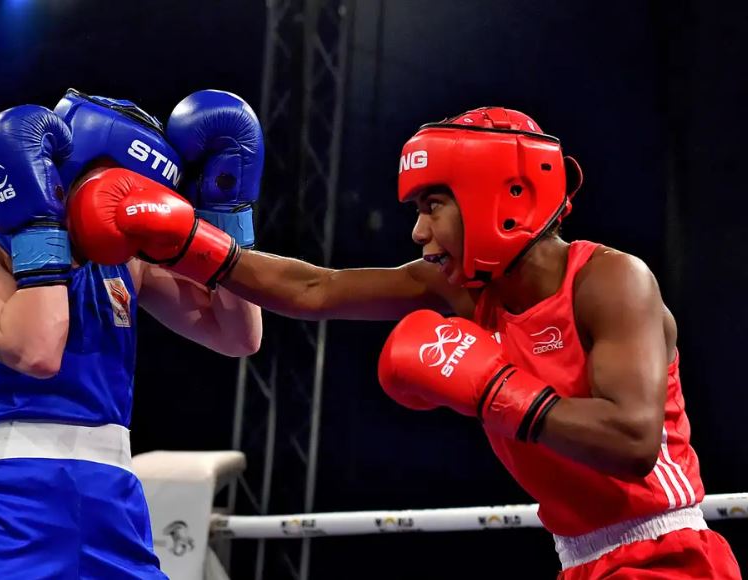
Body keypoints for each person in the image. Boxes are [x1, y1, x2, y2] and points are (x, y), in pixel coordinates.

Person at [70, 106, 740, 578]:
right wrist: (188, 242)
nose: (418, 234)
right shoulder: (460, 291)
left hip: (668, 557)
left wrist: (494, 390)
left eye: (431, 206)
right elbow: (316, 290)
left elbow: (632, 440)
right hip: (580, 559)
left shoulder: (610, 280)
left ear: (495, 195)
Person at [0, 88, 264, 578]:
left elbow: (238, 336)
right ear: (59, 172)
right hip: (3, 503)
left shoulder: (127, 264)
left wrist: (228, 211)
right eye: (118, 188)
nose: (126, 206)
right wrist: (43, 225)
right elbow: (38, 351)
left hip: (114, 505)